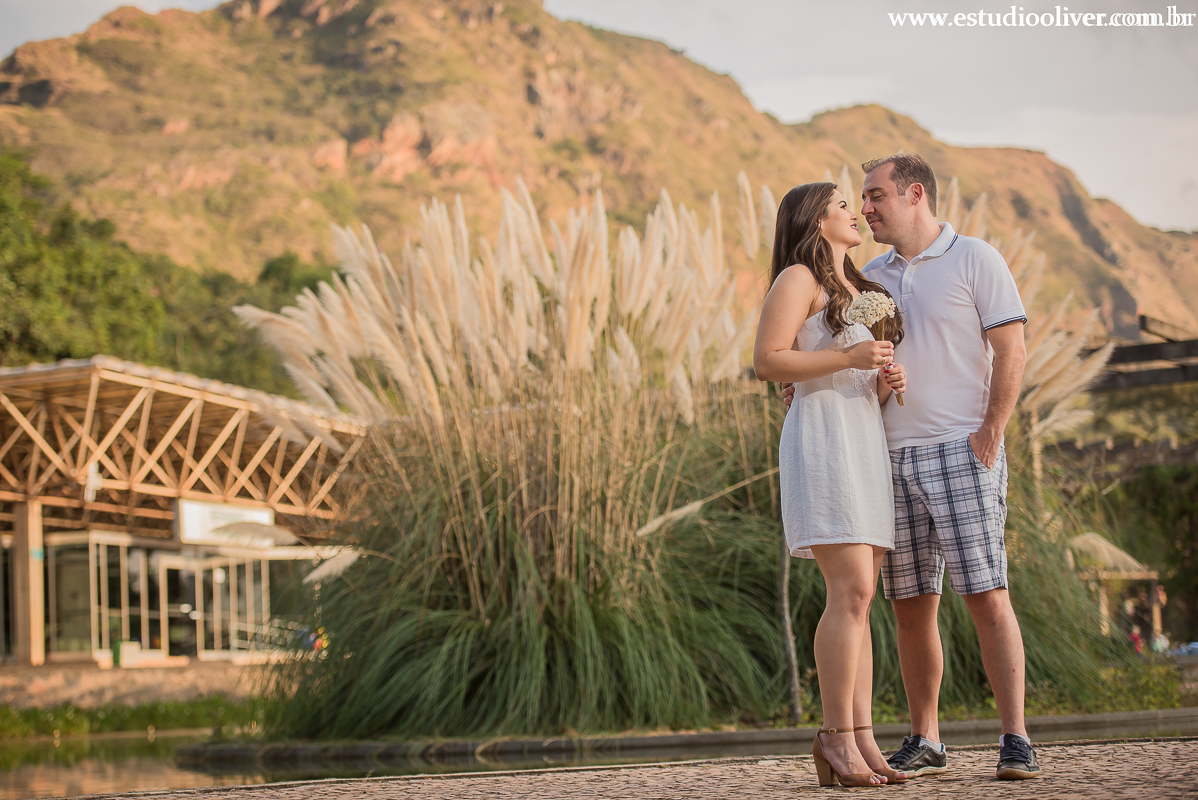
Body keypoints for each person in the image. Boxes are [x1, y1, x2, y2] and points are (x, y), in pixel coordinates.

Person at [782, 153, 1039, 781]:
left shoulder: (975, 257)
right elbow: (834, 354)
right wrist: (836, 376)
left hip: (962, 448)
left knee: (986, 592)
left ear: (914, 193)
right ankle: (926, 736)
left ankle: (1016, 737)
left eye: (874, 196)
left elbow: (1011, 348)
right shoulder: (867, 277)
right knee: (908, 603)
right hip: (882, 457)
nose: (865, 208)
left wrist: (991, 432)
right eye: (858, 201)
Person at [753, 181, 908, 787]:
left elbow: (856, 372)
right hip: (822, 438)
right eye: (843, 205)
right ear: (816, 221)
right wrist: (848, 360)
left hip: (862, 437)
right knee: (849, 592)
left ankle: (863, 741)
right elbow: (768, 360)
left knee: (862, 597)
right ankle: (834, 737)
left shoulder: (862, 290)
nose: (856, 213)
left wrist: (885, 378)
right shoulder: (798, 278)